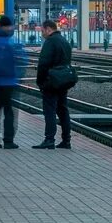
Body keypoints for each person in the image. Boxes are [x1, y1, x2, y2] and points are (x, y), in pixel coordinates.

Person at [34, 19, 73, 149]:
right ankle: (66, 140)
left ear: (48, 29)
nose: (42, 34)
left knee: (49, 110)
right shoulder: (65, 41)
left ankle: (49, 139)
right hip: (64, 80)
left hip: (51, 81)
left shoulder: (50, 42)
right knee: (63, 110)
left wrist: (40, 81)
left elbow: (43, 64)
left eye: (43, 31)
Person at [0, 15, 25, 149]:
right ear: (6, 26)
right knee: (8, 112)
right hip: (9, 83)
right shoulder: (12, 42)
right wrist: (18, 76)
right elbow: (21, 61)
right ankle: (8, 141)